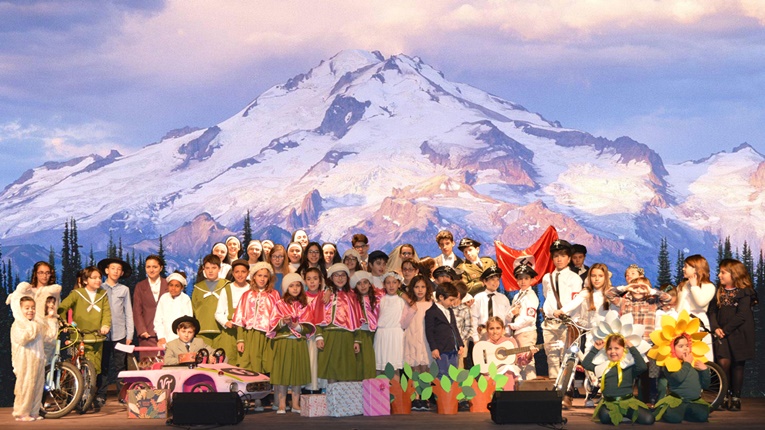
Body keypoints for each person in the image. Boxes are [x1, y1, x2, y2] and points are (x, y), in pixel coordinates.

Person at [606, 277, 671, 404]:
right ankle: (624, 399)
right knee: (628, 374)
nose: (639, 289)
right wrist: (626, 288)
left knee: (646, 375)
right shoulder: (624, 301)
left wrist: (651, 291)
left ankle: (646, 401)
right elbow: (609, 294)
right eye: (636, 286)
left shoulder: (652, 302)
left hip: (646, 344)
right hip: (628, 344)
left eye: (642, 287)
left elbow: (668, 298)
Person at [708, 258, 755, 411]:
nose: (719, 275)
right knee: (723, 364)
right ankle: (724, 395)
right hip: (721, 334)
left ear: (734, 274)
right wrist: (715, 327)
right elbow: (712, 311)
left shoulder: (745, 292)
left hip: (739, 333)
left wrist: (725, 330)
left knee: (737, 365)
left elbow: (742, 315)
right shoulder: (719, 291)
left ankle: (736, 397)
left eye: (723, 272)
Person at [541, 239, 582, 408]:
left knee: (567, 359)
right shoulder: (547, 277)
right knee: (551, 357)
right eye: (556, 256)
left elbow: (576, 300)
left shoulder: (574, 278)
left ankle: (566, 393)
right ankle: (553, 392)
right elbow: (547, 296)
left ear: (569, 258)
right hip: (550, 323)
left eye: (563, 256)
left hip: (566, 323)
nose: (559, 259)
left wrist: (564, 312)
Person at [269, 273, 317, 414]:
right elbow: (272, 324)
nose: (295, 288)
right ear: (286, 288)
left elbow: (309, 325)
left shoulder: (305, 305)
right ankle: (282, 404)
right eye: (291, 285)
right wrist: (283, 322)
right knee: (283, 374)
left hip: (298, 342)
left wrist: (296, 326)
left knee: (297, 373)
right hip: (283, 342)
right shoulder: (279, 304)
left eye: (297, 285)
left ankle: (296, 404)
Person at [583, 335, 654, 425]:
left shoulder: (628, 367)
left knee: (649, 419)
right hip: (610, 403)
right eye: (609, 348)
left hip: (627, 403)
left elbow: (642, 367)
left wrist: (631, 347)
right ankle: (621, 415)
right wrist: (595, 349)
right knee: (605, 418)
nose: (613, 351)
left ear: (623, 349)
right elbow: (586, 364)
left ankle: (626, 414)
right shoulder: (603, 366)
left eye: (617, 348)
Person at [95, 257, 134, 408]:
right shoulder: (99, 288)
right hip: (102, 335)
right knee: (103, 366)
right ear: (106, 270)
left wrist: (129, 335)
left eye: (118, 269)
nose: (115, 271)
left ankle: (122, 395)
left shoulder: (124, 290)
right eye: (113, 268)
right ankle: (101, 394)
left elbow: (128, 313)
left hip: (120, 334)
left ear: (122, 272)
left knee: (121, 366)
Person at [11, 296, 58, 421]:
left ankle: (33, 411)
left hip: (37, 359)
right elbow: (24, 339)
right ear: (20, 309)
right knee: (25, 386)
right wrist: (35, 327)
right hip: (24, 361)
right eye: (26, 308)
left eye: (33, 308)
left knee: (37, 385)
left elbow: (46, 338)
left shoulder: (35, 323)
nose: (30, 310)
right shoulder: (18, 324)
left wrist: (51, 321)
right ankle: (21, 413)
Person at [58, 266, 112, 374]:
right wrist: (63, 322)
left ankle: (91, 386)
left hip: (96, 335)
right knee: (78, 363)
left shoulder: (102, 294)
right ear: (85, 280)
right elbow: (63, 307)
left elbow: (106, 312)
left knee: (95, 365)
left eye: (100, 278)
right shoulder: (77, 294)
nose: (98, 280)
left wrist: (106, 325)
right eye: (94, 277)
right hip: (79, 334)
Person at [5, 261, 62, 361]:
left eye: (47, 273)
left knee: (47, 363)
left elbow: (56, 309)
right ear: (36, 273)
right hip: (31, 332)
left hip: (48, 332)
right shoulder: (28, 291)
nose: (44, 276)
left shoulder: (53, 291)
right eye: (41, 272)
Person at [232, 262, 280, 375]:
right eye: (259, 275)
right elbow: (239, 319)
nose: (262, 279)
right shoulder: (247, 295)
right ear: (254, 277)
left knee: (265, 363)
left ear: (269, 278)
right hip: (249, 335)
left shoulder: (274, 295)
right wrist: (240, 339)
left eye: (265, 276)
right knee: (248, 364)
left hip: (267, 336)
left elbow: (278, 317)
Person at [316, 263, 361, 382]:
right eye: (336, 275)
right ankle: (332, 399)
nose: (340, 278)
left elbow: (357, 318)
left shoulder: (352, 296)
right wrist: (319, 336)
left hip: (347, 336)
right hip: (329, 335)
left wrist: (356, 339)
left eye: (343, 275)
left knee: (346, 370)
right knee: (332, 369)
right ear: (331, 277)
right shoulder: (325, 295)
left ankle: (344, 399)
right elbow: (318, 315)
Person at [652, 336, 710, 423]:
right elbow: (678, 378)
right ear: (672, 349)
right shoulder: (670, 363)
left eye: (687, 345)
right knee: (674, 418)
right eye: (681, 346)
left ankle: (685, 413)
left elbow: (705, 385)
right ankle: (674, 412)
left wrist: (705, 370)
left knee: (703, 417)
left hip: (693, 401)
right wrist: (687, 363)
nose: (685, 349)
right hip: (678, 400)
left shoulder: (694, 362)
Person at [675, 254, 715, 361]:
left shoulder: (709, 286)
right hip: (682, 325)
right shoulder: (682, 285)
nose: (683, 268)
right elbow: (678, 307)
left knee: (700, 357)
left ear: (696, 268)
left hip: (698, 324)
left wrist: (694, 287)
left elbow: (700, 303)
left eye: (686, 266)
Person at [507, 256, 540, 381]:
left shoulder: (531, 296)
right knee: (519, 361)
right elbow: (510, 314)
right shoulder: (517, 296)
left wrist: (514, 326)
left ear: (531, 279)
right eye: (520, 279)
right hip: (518, 333)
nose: (523, 281)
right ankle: (520, 388)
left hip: (527, 332)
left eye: (526, 278)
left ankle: (532, 386)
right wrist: (511, 316)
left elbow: (529, 318)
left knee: (528, 360)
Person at [215, 259, 252, 366]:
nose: (240, 275)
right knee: (229, 361)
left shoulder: (251, 289)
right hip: (230, 331)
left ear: (248, 273)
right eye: (237, 272)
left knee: (246, 361)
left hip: (246, 331)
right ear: (233, 273)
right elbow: (218, 313)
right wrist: (227, 323)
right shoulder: (226, 289)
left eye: (243, 271)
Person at [424, 282, 464, 378]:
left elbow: (454, 327)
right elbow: (429, 332)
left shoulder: (450, 310)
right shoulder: (431, 312)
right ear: (441, 297)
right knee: (443, 373)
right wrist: (434, 348)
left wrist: (460, 344)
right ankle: (444, 393)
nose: (452, 303)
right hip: (441, 349)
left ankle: (452, 393)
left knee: (453, 373)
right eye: (451, 300)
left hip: (453, 348)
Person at [191, 254, 230, 348]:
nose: (210, 271)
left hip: (222, 330)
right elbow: (193, 309)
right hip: (202, 330)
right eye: (207, 268)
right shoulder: (198, 287)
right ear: (203, 269)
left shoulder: (227, 285)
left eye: (214, 267)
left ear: (219, 268)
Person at [133, 255, 168, 357]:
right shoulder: (140, 286)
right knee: (147, 365)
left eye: (155, 267)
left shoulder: (168, 284)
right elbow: (137, 310)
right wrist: (142, 330)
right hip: (147, 334)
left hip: (166, 333)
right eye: (148, 267)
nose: (151, 270)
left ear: (161, 268)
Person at [374, 271, 407, 374]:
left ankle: (395, 390)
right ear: (384, 284)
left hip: (396, 335)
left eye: (394, 282)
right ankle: (380, 390)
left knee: (394, 368)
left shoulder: (402, 300)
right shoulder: (380, 300)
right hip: (382, 335)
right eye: (388, 283)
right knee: (380, 366)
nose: (391, 285)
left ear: (399, 284)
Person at [352, 270, 381, 380]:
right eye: (359, 283)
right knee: (363, 364)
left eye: (365, 282)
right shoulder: (353, 300)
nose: (363, 286)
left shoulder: (377, 298)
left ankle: (374, 391)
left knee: (375, 363)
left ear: (370, 283)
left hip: (375, 334)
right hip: (361, 334)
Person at [471, 266, 511, 341]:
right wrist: (475, 338)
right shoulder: (478, 298)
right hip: (483, 332)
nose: (495, 283)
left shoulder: (503, 298)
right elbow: (474, 318)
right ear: (485, 281)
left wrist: (507, 334)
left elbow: (507, 319)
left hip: (501, 333)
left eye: (497, 280)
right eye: (492, 280)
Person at [154, 271, 193, 347]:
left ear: (182, 287)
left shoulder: (185, 299)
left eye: (177, 286)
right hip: (165, 339)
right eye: (171, 285)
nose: (173, 288)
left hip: (181, 340)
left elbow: (188, 321)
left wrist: (184, 336)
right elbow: (158, 320)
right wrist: (161, 337)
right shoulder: (163, 298)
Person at [303, 267, 326, 393]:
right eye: (309, 279)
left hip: (320, 334)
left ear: (320, 281)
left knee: (319, 362)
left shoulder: (325, 297)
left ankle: (319, 388)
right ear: (305, 281)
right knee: (309, 361)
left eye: (315, 279)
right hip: (307, 336)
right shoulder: (302, 298)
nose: (312, 282)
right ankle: (308, 389)